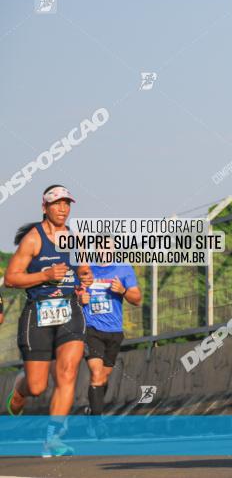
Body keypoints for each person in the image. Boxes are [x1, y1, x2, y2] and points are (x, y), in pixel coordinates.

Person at [4, 185, 93, 457]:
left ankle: (52, 439)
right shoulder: (33, 239)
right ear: (45, 207)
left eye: (67, 204)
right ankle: (20, 388)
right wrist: (45, 275)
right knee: (37, 385)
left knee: (68, 373)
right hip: (38, 313)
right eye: (57, 204)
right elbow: (11, 278)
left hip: (70, 311)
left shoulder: (73, 238)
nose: (63, 209)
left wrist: (85, 279)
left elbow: (83, 267)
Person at [81, 240, 142, 425]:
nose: (105, 249)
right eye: (101, 246)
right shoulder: (85, 269)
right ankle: (97, 424)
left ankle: (93, 409)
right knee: (97, 374)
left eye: (109, 246)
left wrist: (122, 290)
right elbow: (75, 294)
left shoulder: (124, 269)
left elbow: (137, 299)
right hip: (91, 330)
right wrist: (79, 297)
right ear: (95, 249)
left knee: (103, 377)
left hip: (114, 331)